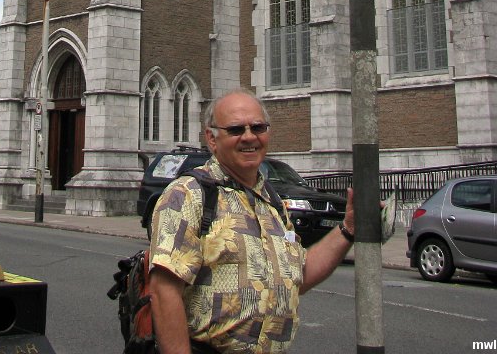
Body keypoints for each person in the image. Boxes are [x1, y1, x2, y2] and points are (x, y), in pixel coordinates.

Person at [149, 89, 355, 354]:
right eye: (236, 129)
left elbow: (299, 275)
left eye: (258, 127)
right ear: (212, 138)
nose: (249, 137)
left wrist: (348, 229)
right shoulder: (187, 194)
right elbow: (164, 291)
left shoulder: (272, 201)